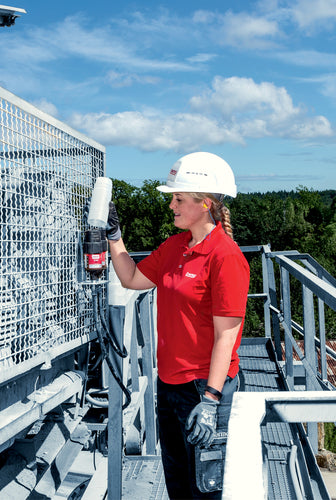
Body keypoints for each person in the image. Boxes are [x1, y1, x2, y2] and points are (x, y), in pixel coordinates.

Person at [106, 152, 250, 499]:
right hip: (169, 385)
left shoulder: (225, 256)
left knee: (207, 490)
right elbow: (131, 278)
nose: (171, 205)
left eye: (179, 199)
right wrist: (113, 235)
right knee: (179, 486)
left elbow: (226, 336)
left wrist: (211, 401)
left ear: (205, 203)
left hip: (204, 390)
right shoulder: (175, 247)